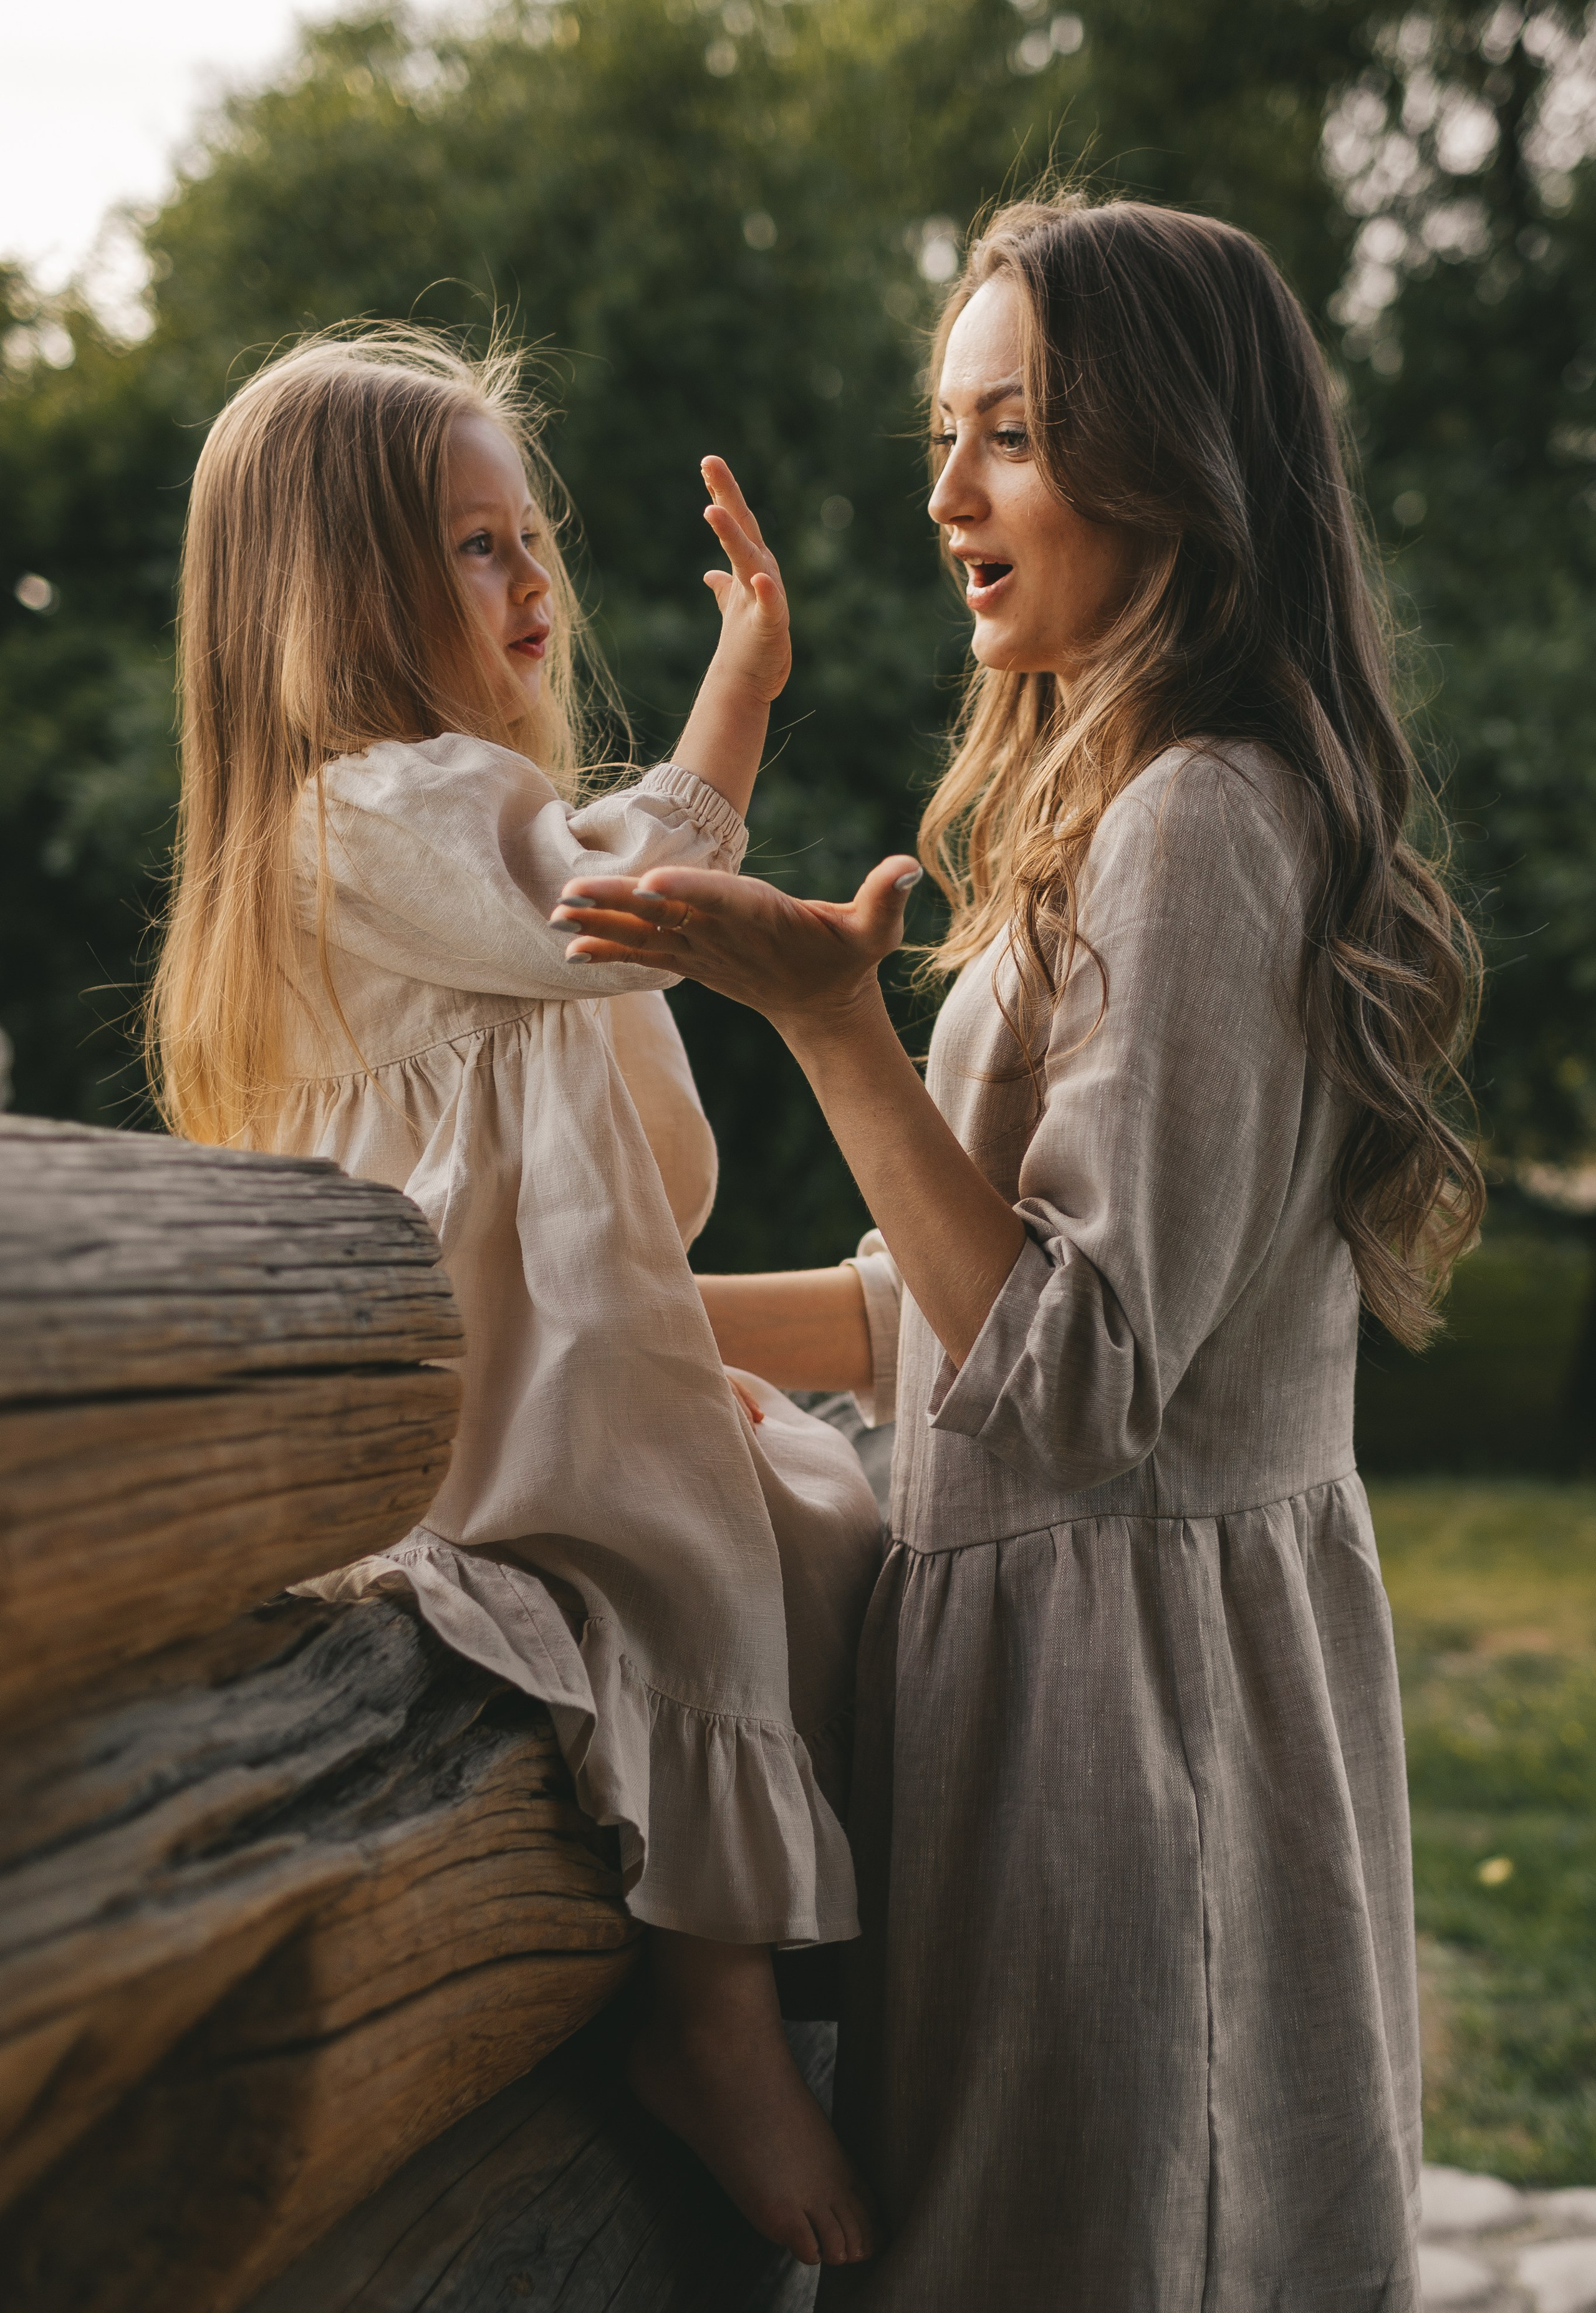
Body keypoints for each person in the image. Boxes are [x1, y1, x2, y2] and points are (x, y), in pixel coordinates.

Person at [555, 192, 1485, 2309]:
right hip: (1074, 1692)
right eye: (942, 435)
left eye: (1014, 435)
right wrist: (578, 1315)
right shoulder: (1136, 802)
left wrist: (825, 1020)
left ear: (1170, 461)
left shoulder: (1204, 825)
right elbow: (933, 1312)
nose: (952, 495)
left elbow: (1060, 1386)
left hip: (1131, 1732)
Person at [146, 327, 883, 2269]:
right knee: (712, 1560)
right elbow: (611, 908)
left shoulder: (437, 822)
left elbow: (632, 1159)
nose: (534, 579)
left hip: (543, 1364)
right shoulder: (373, 811)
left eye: (526, 532)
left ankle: (791, 1982)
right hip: (464, 1407)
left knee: (823, 1510)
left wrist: (668, 1358)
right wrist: (736, 702)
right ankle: (712, 2021)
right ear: (337, 597)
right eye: (475, 548)